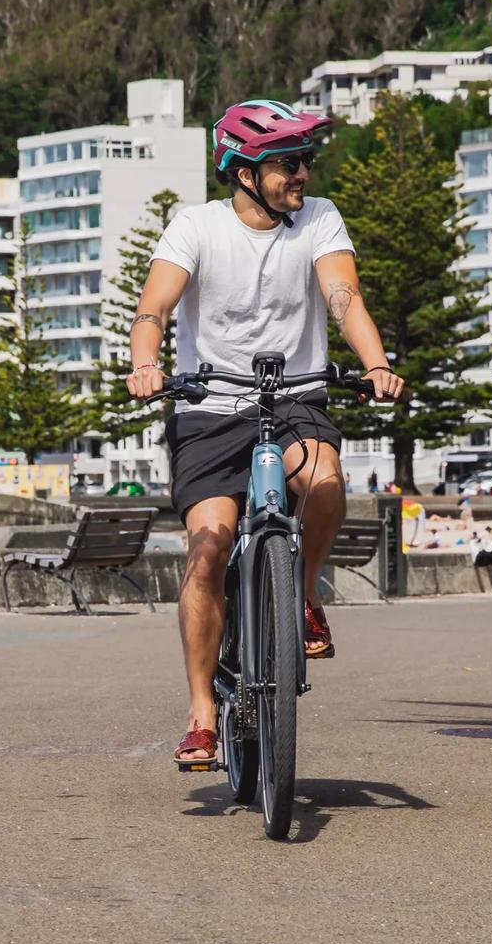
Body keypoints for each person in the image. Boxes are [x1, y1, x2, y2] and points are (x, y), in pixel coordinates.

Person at [126, 98, 405, 768]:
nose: (301, 174)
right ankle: (199, 714)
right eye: (286, 163)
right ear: (243, 170)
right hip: (209, 409)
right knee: (207, 551)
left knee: (327, 479)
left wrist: (376, 364)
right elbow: (154, 307)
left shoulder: (320, 219)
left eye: (304, 161)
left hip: (296, 400)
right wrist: (145, 362)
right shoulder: (196, 226)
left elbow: (344, 298)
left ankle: (303, 593)